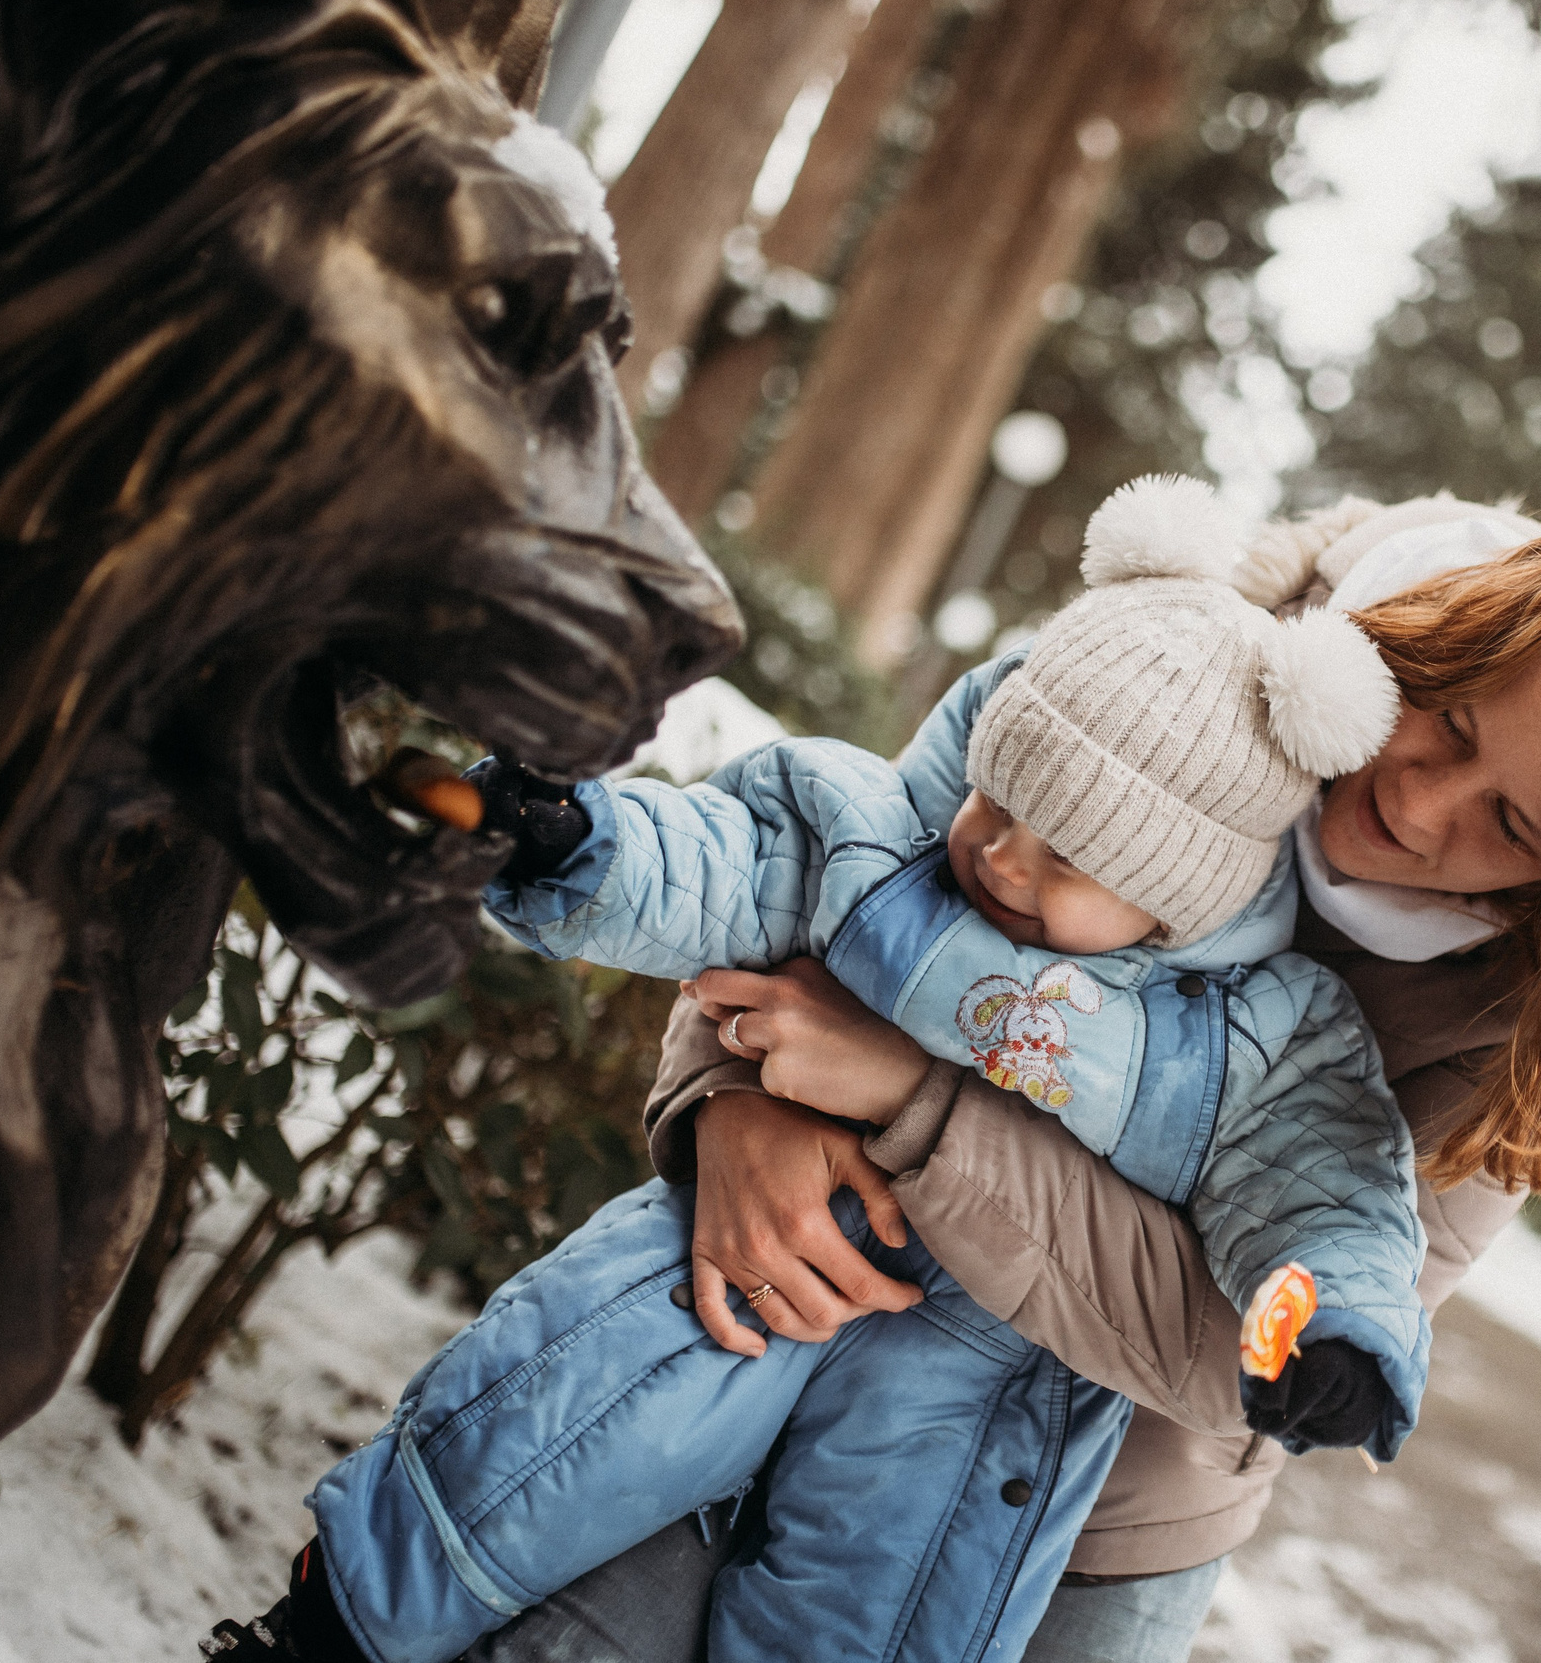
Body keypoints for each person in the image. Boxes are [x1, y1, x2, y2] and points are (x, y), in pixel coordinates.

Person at [470, 494, 1541, 1663]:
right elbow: (836, 866)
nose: (1418, 806)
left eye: (1509, 826)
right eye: (1451, 719)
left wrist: (914, 1101)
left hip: (1097, 1518)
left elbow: (1220, 1341)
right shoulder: (1201, 647)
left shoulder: (1523, 1027)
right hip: (802, 1306)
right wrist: (736, 1100)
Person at [208, 477, 1437, 1663]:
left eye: (1067, 855)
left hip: (973, 1377)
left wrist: (1333, 1329)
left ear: (1182, 893)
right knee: (567, 1417)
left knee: (877, 1603)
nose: (1001, 859)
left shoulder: (1253, 1036)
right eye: (997, 802)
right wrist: (583, 839)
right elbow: (728, 858)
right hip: (738, 1264)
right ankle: (338, 1621)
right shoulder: (885, 842)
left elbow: (1323, 1184)